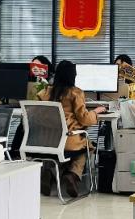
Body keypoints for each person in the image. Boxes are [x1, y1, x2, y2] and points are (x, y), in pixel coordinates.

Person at [36, 60, 97, 198]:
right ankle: (72, 174)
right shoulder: (75, 93)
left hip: (46, 141)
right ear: (72, 76)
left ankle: (50, 172)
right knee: (87, 146)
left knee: (60, 151)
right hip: (68, 141)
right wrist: (96, 112)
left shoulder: (44, 92)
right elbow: (85, 119)